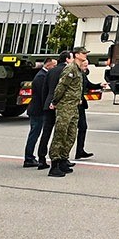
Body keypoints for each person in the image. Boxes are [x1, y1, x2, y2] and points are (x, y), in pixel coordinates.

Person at [46, 48, 89, 177]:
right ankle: (54, 164)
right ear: (77, 55)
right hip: (65, 106)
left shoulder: (78, 69)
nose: (85, 56)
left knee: (71, 135)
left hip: (74, 107)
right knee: (60, 134)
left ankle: (63, 160)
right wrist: (55, 101)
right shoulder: (70, 69)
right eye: (83, 53)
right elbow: (61, 86)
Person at [22, 54, 60, 169]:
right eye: (53, 65)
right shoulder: (41, 76)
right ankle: (28, 158)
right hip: (37, 110)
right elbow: (41, 94)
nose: (54, 67)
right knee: (34, 134)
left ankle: (31, 157)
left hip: (38, 109)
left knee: (36, 133)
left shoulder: (43, 75)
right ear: (48, 64)